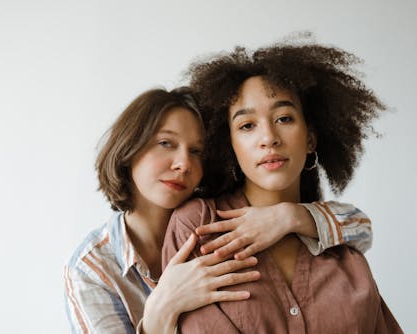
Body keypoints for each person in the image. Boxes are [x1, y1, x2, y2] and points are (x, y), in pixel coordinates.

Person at [64, 86, 374, 334]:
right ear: (128, 150)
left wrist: (288, 216)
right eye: (165, 143)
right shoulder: (92, 269)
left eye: (197, 151)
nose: (183, 163)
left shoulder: (220, 219)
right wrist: (161, 312)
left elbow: (361, 228)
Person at [162, 42, 402, 333]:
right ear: (230, 145)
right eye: (247, 125)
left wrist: (289, 217)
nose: (269, 138)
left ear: (310, 138)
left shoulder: (344, 249)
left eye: (284, 118)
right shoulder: (199, 225)